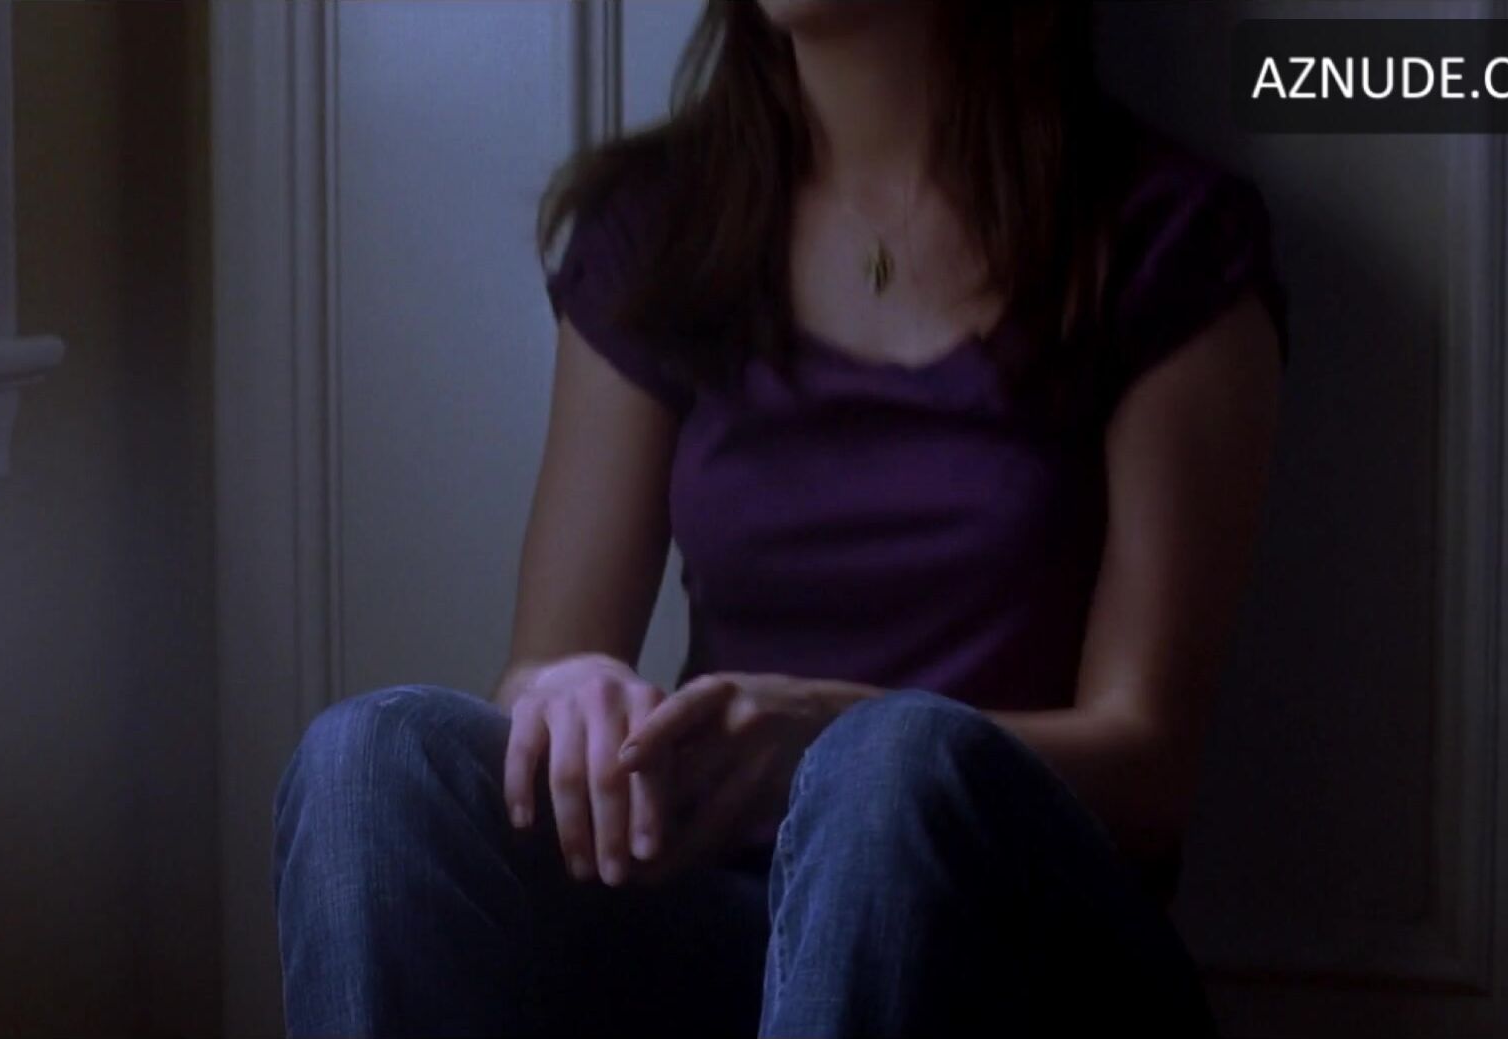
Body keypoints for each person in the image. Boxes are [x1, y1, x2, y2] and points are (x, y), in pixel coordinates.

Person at [274, 1, 1288, 1035]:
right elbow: (543, 668)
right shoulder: (663, 225)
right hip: (726, 922)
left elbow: (1151, 767)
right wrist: (572, 695)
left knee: (888, 765)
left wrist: (830, 737)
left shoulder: (1162, 237)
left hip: (1023, 947)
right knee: (371, 759)